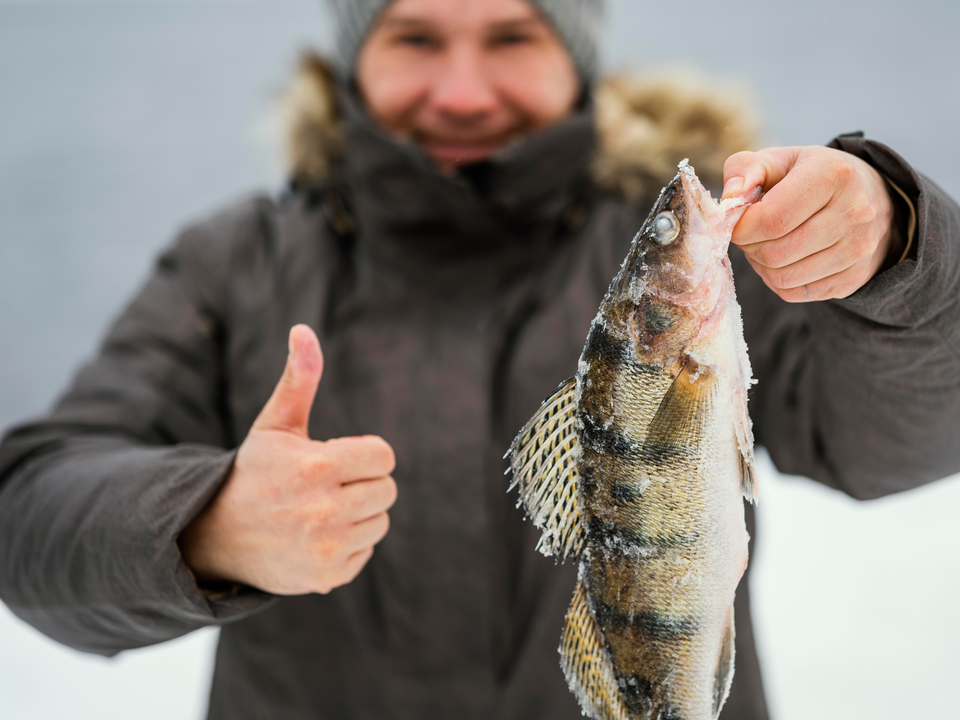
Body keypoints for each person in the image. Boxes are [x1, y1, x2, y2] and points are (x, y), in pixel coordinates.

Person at [1, 0, 958, 718]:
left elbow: (892, 439)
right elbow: (28, 514)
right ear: (352, 56)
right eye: (416, 37)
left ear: (575, 57)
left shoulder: (705, 267)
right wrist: (202, 527)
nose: (462, 90)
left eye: (512, 37)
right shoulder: (234, 263)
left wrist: (899, 250)